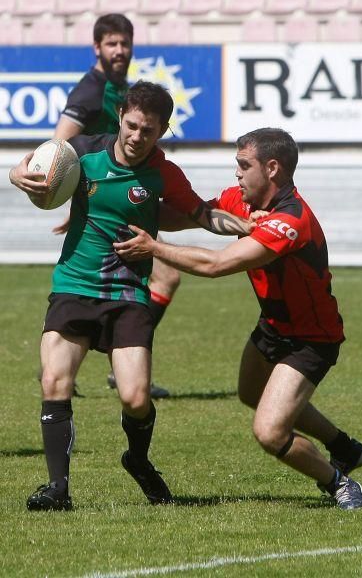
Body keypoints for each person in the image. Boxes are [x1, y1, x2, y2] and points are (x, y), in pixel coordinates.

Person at [9, 81, 252, 511]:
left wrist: (247, 227)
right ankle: (58, 490)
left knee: (136, 398)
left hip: (128, 293)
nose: (138, 136)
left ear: (162, 131)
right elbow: (32, 165)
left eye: (149, 131)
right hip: (74, 286)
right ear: (121, 116)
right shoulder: (81, 151)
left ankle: (137, 460)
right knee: (54, 381)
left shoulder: (165, 173)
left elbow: (203, 215)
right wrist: (16, 175)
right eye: (133, 125)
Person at [117, 127, 362, 511]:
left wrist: (153, 248)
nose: (236, 173)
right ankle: (343, 446)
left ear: (272, 168)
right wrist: (118, 208)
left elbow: (218, 264)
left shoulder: (291, 221)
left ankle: (339, 482)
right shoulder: (239, 200)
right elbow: (188, 215)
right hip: (273, 326)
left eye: (243, 165)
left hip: (311, 340)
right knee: (251, 394)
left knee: (270, 431)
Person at [54, 12, 178, 399]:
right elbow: (59, 147)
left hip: (118, 200)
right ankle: (117, 360)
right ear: (97, 47)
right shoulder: (89, 91)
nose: (120, 50)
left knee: (154, 280)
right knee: (159, 278)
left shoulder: (118, 87)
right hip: (98, 204)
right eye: (112, 43)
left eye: (125, 43)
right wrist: (72, 195)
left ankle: (119, 361)